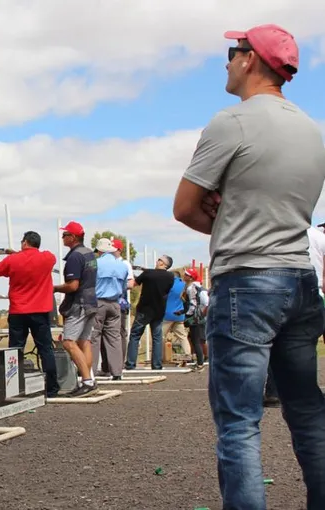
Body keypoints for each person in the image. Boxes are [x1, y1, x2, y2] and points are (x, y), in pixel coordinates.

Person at [173, 24, 325, 510]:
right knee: (308, 411)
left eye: (231, 52)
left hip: (247, 282)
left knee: (239, 422)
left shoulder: (231, 122)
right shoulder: (312, 129)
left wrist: (225, 213)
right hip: (301, 282)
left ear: (249, 60)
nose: (226, 61)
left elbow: (184, 207)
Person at [0, 230, 60, 397]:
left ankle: (12, 389)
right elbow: (31, 259)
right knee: (46, 350)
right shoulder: (48, 257)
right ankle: (52, 389)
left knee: (14, 352)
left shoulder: (12, 260)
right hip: (40, 312)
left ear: (24, 243)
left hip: (18, 311)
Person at [263, 224, 325, 407]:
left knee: (274, 342)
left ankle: (273, 392)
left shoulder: (278, 230)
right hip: (313, 289)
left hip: (279, 288)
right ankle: (306, 393)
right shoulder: (319, 237)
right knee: (306, 343)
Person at [53, 221, 98, 397]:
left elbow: (72, 286)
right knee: (84, 342)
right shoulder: (89, 253)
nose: (62, 237)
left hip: (78, 304)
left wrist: (55, 288)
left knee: (69, 342)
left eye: (65, 235)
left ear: (72, 237)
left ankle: (86, 382)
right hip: (91, 302)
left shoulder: (74, 257)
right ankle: (89, 380)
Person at [124, 255, 175, 370]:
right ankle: (157, 365)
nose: (157, 261)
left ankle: (131, 363)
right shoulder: (170, 277)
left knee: (135, 336)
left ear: (163, 263)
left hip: (144, 309)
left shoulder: (148, 273)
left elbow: (134, 284)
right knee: (157, 338)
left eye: (159, 260)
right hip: (159, 310)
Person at [91, 238, 129, 380]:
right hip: (115, 303)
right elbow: (125, 286)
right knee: (114, 338)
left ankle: (91, 371)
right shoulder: (122, 266)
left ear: (100, 251)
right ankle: (117, 372)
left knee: (94, 338)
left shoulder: (95, 264)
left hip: (98, 302)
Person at [110, 239, 135, 369]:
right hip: (108, 301)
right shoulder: (106, 263)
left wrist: (114, 287)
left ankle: (119, 362)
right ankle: (108, 364)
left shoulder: (125, 264)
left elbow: (131, 283)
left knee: (120, 333)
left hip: (120, 302)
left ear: (119, 250)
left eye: (112, 248)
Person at [180, 268, 208, 371]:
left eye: (186, 274)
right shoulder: (199, 286)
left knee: (196, 340)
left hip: (194, 316)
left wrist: (188, 315)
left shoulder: (191, 287)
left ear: (191, 277)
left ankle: (200, 363)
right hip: (199, 316)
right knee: (196, 339)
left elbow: (193, 303)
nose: (184, 275)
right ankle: (200, 361)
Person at [161, 272, 189, 363]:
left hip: (167, 314)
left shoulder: (168, 285)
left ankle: (160, 357)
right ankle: (187, 355)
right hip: (179, 315)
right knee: (182, 336)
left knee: (160, 336)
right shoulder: (184, 285)